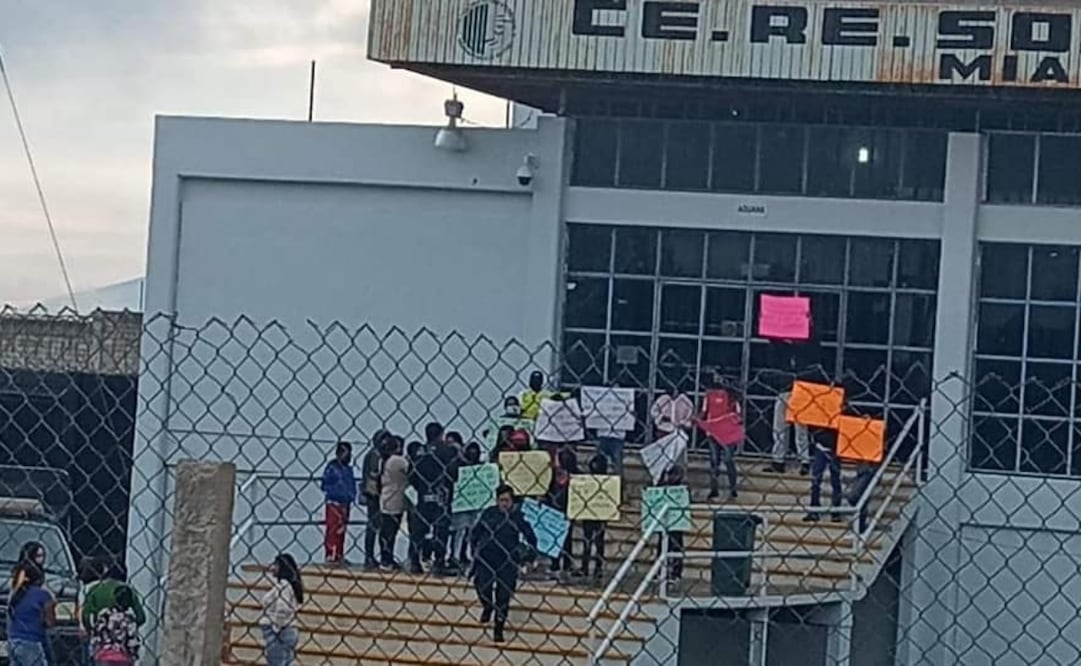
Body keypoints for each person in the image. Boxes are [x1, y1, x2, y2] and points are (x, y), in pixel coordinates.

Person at [470, 484, 538, 643]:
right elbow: (475, 533)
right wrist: (474, 549)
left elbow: (531, 538)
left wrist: (529, 558)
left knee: (503, 595)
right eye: (501, 500)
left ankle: (498, 627)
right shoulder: (489, 513)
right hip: (487, 557)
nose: (504, 504)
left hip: (508, 560)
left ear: (512, 501)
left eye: (507, 500)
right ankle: (487, 606)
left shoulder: (518, 517)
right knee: (482, 587)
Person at [410, 426, 459, 575]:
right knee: (441, 530)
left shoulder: (419, 451)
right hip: (442, 494)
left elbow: (411, 475)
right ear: (441, 435)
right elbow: (453, 473)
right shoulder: (447, 450)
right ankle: (439, 562)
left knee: (419, 531)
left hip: (423, 494)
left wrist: (421, 488)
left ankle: (415, 562)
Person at [765, 348, 811, 475]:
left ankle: (805, 461)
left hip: (799, 394)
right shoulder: (779, 351)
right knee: (779, 428)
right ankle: (778, 460)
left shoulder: (804, 353)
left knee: (800, 429)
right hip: (783, 392)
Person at [8, 542, 55, 666]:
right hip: (32, 640)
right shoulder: (43, 595)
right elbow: (50, 622)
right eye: (38, 556)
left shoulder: (18, 593)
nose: (42, 560)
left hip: (14, 638)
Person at [699, 372, 742, 501]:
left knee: (728, 460)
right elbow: (704, 411)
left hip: (728, 433)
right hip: (713, 432)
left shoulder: (732, 397)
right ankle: (714, 490)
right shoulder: (709, 395)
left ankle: (733, 489)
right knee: (714, 461)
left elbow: (738, 415)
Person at [81, 559, 146, 639]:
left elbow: (86, 615)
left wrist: (90, 629)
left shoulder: (95, 589)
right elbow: (141, 617)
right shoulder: (128, 590)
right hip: (123, 636)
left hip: (101, 633)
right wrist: (128, 625)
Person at [260, 553, 303, 666]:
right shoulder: (286, 586)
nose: (272, 567)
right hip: (287, 630)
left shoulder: (283, 586)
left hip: (280, 633)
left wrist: (276, 628)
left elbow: (282, 609)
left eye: (276, 564)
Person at [320, 441, 357, 565]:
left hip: (345, 503)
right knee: (333, 529)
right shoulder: (332, 468)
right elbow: (325, 485)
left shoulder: (348, 469)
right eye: (346, 453)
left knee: (342, 530)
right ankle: (331, 554)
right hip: (334, 503)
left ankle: (339, 554)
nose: (348, 456)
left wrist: (351, 496)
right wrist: (337, 492)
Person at [449, 441, 484, 568]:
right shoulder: (458, 466)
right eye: (470, 451)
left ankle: (470, 556)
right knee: (460, 531)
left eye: (475, 452)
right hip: (461, 506)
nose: (473, 454)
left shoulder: (482, 468)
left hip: (476, 504)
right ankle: (455, 557)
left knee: (473, 531)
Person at [88, 584, 141, 666]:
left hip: (103, 655)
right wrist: (134, 657)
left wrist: (93, 653)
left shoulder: (104, 614)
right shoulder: (129, 618)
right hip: (122, 656)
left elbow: (96, 636)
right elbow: (132, 641)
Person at [545, 446, 578, 575]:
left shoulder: (576, 475)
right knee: (554, 538)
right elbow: (548, 489)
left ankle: (567, 564)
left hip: (568, 509)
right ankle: (555, 564)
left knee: (567, 540)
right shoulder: (553, 474)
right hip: (554, 510)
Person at [379, 436, 410, 570]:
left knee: (386, 531)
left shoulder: (384, 460)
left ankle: (386, 558)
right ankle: (387, 559)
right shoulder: (397, 461)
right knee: (391, 531)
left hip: (386, 497)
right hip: (395, 499)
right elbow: (410, 469)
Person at [578, 451, 610, 580]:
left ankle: (597, 568)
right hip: (590, 514)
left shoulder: (609, 482)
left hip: (600, 514)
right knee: (588, 541)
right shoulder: (589, 480)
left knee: (597, 542)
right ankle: (586, 567)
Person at [361, 430, 390, 570]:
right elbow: (375, 474)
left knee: (377, 526)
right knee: (373, 526)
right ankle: (369, 556)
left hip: (376, 493)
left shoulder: (375, 454)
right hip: (374, 494)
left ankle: (372, 556)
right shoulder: (375, 455)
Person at [655, 466, 685, 585]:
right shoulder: (662, 485)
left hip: (676, 522)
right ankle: (660, 571)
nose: (672, 478)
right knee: (662, 545)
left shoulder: (682, 488)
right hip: (665, 521)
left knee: (676, 546)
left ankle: (676, 573)